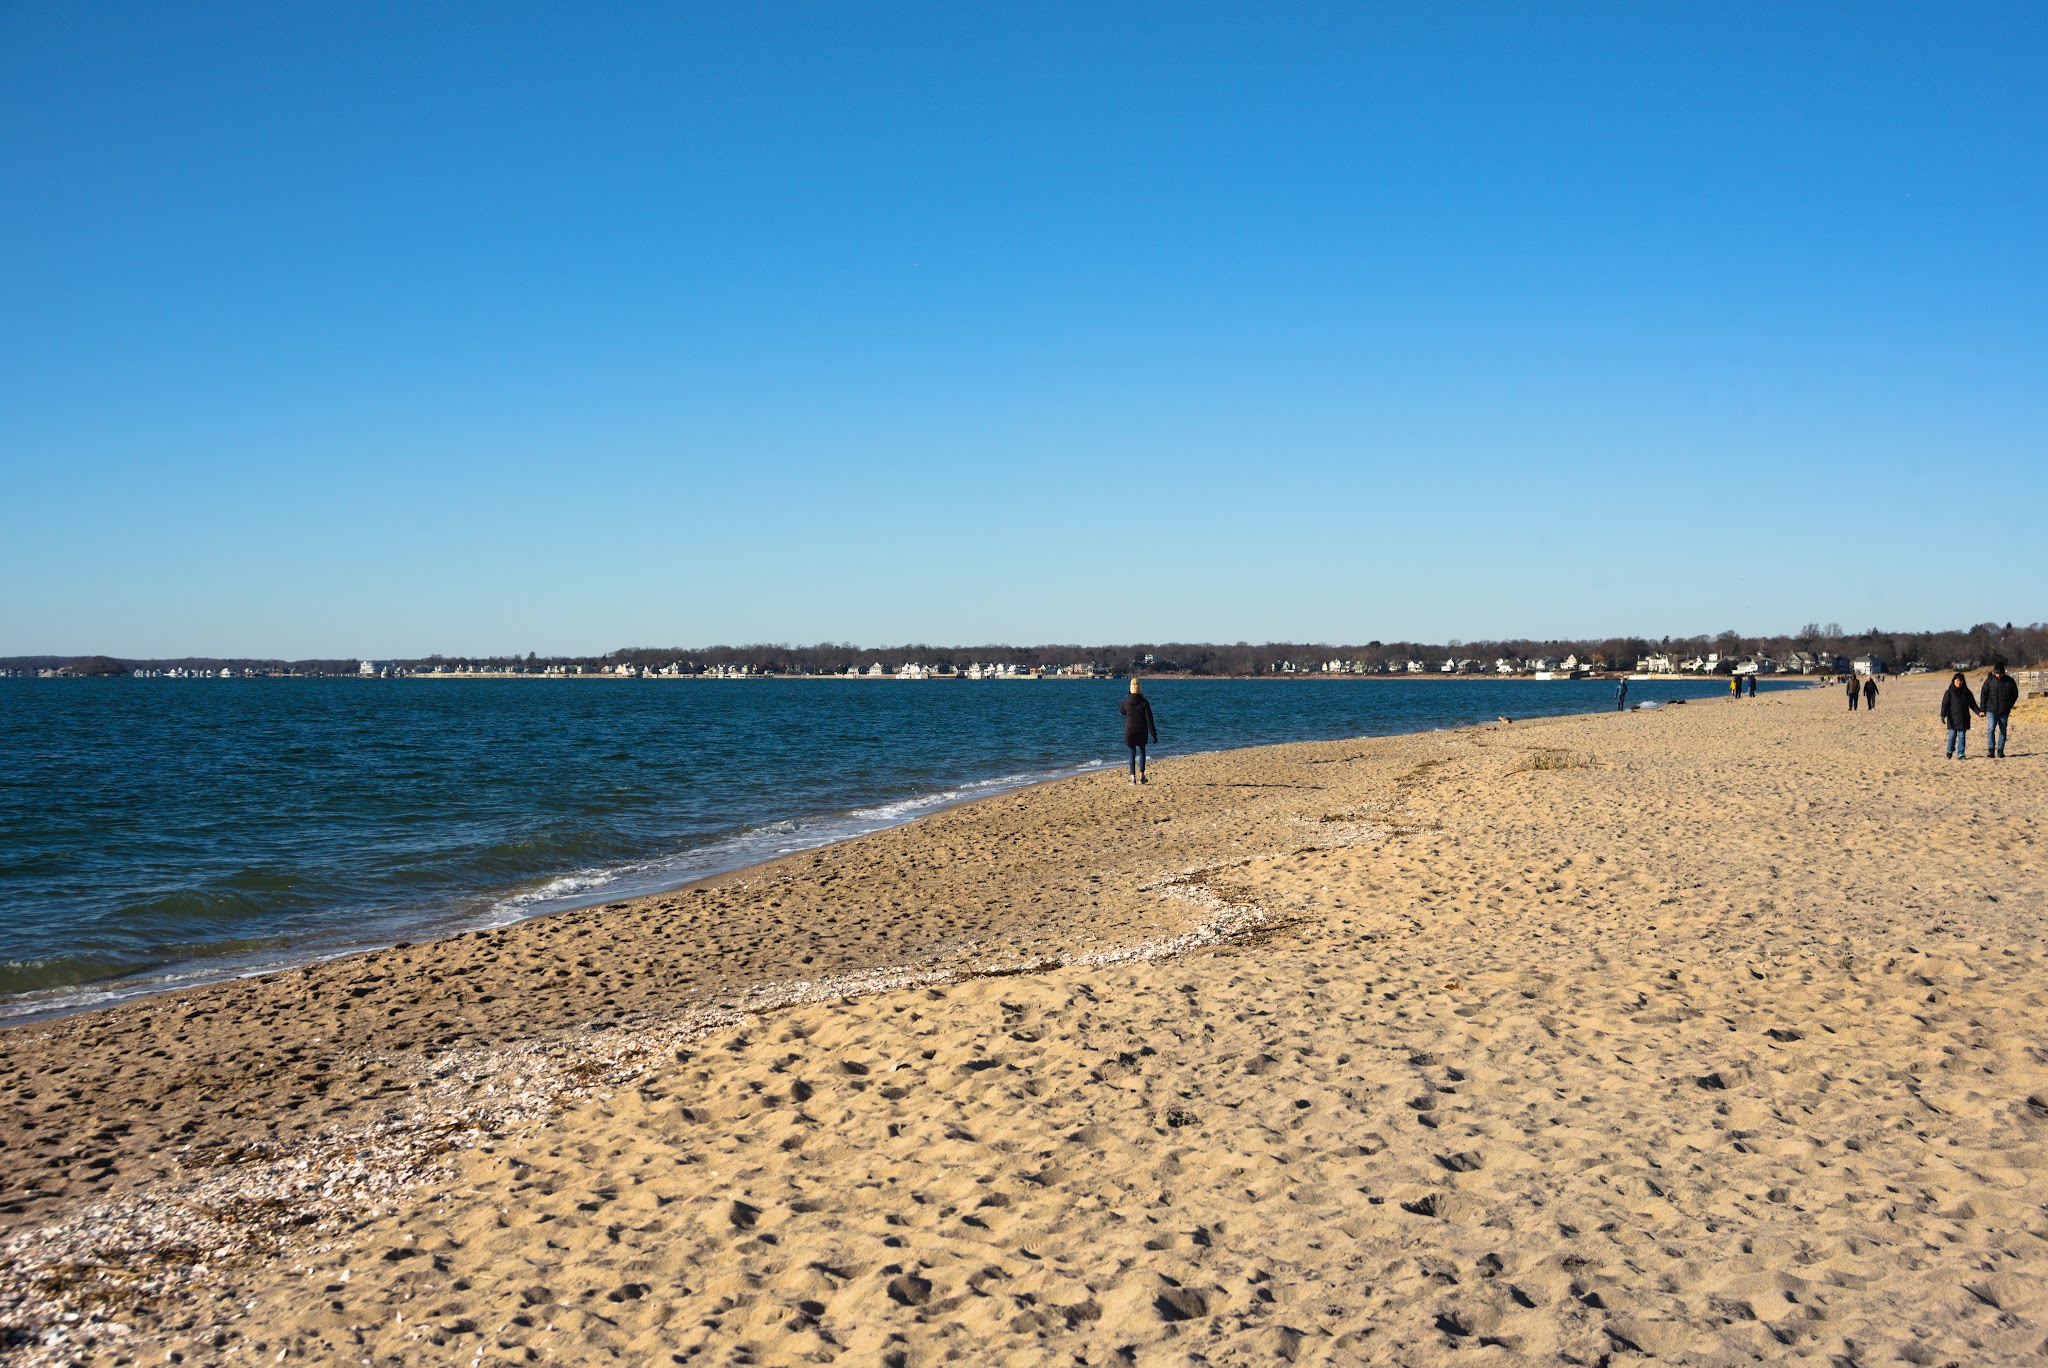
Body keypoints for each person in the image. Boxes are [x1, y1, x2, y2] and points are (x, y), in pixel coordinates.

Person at [1121, 678, 1159, 784]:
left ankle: (1133, 778)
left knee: (1131, 753)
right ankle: (1142, 776)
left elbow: (1122, 711)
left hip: (1129, 731)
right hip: (1142, 730)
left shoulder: (1125, 702)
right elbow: (1149, 720)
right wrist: (1154, 735)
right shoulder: (1144, 702)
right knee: (1142, 752)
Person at [1939, 671, 1981, 760]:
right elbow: (1945, 704)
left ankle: (1961, 754)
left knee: (1962, 736)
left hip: (1964, 718)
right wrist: (1943, 715)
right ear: (1954, 681)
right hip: (1953, 718)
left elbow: (1972, 704)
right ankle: (1950, 750)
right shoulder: (1949, 692)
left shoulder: (1966, 692)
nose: (1959, 682)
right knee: (1952, 736)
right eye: (1957, 680)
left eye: (1961, 681)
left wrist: (1978, 712)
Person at [1981, 661, 2018, 759]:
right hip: (1991, 710)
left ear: (2003, 672)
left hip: (2004, 711)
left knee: (2003, 730)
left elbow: (2015, 695)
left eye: (2000, 673)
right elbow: (1983, 695)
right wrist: (1982, 709)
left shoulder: (2010, 681)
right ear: (1994, 673)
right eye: (1997, 673)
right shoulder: (1989, 681)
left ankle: (2000, 750)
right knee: (1991, 729)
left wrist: (2008, 706)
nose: (1998, 675)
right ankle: (1991, 750)